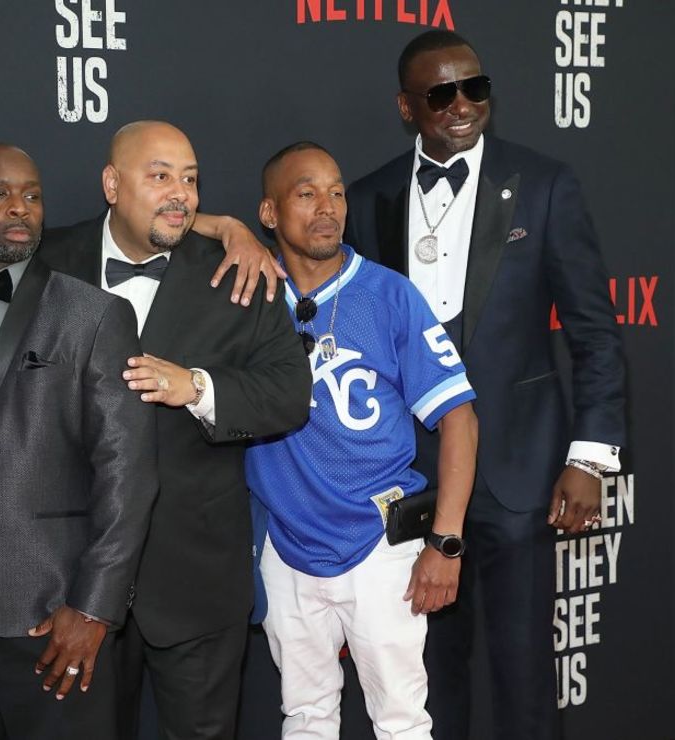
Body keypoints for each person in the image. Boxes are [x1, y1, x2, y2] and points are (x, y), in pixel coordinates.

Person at [343, 30, 626, 740]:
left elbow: (594, 333)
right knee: (427, 677)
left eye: (475, 87)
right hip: (409, 474)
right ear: (408, 108)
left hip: (518, 472)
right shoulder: (370, 197)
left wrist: (589, 459)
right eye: (441, 94)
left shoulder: (545, 183)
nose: (462, 104)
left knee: (524, 672)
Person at [39, 120, 312, 740]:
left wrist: (198, 387)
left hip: (195, 578)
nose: (180, 193)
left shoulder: (239, 274)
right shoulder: (49, 264)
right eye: (159, 176)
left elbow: (291, 395)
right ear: (112, 184)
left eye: (190, 179)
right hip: (68, 580)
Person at [245, 141, 478, 739]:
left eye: (337, 191)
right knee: (306, 717)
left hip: (380, 543)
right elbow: (167, 223)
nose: (328, 207)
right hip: (284, 543)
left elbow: (459, 418)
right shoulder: (246, 294)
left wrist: (446, 543)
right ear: (268, 213)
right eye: (306, 193)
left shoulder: (388, 294)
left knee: (401, 722)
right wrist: (227, 230)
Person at [0, 144, 158, 739]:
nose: (21, 208)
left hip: (50, 613)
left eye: (32, 196)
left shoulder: (93, 315)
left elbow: (127, 470)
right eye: (0, 193)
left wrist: (92, 607)